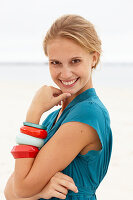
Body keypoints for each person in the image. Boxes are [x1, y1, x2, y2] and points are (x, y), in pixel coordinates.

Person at [4, 14, 113, 200]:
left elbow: (21, 189)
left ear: (94, 58)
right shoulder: (52, 118)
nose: (65, 73)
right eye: (56, 63)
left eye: (75, 61)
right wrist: (40, 191)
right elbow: (10, 191)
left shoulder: (88, 113)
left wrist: (33, 112)